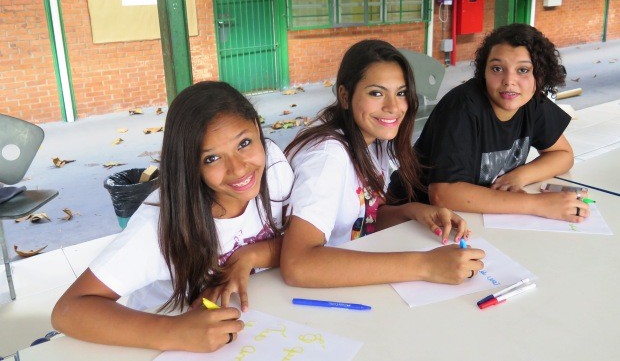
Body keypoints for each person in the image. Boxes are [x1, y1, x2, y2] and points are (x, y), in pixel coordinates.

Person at [52, 81, 294, 353]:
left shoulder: (273, 166)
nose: (238, 168)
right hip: (161, 341)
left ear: (257, 128)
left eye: (245, 143)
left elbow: (300, 242)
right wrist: (175, 331)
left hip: (256, 322)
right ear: (189, 165)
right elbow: (68, 310)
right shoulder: (158, 225)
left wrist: (251, 255)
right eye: (211, 158)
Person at [280, 39, 485, 288]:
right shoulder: (327, 158)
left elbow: (362, 218)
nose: (393, 107)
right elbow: (298, 265)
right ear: (345, 96)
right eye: (376, 93)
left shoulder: (374, 140)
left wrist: (414, 212)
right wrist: (426, 266)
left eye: (400, 93)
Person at [389, 23, 589, 222]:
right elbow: (443, 194)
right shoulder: (463, 107)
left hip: (473, 214)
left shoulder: (532, 101)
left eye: (523, 70)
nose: (509, 81)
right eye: (497, 68)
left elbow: (563, 154)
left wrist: (520, 176)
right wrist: (539, 205)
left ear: (540, 74)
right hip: (409, 218)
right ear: (483, 72)